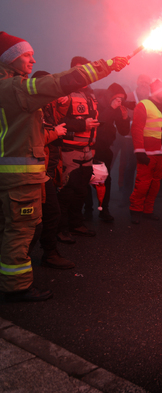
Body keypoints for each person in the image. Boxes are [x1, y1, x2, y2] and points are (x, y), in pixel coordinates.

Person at [0, 31, 128, 302]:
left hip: (25, 174)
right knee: (21, 230)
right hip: (19, 176)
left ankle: (23, 272)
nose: (33, 60)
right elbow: (58, 83)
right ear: (9, 59)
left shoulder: (9, 88)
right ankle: (14, 287)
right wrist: (105, 65)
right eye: (26, 54)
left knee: (25, 225)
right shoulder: (13, 88)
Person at [27, 72, 75, 270]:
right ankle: (21, 259)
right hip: (33, 171)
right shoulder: (30, 106)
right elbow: (32, 140)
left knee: (49, 215)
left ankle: (48, 253)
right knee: (34, 221)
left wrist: (63, 101)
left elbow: (59, 118)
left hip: (48, 167)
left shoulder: (46, 104)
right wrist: (55, 133)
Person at [55, 56, 102, 243]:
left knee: (82, 191)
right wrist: (83, 125)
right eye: (78, 70)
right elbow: (58, 121)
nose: (82, 74)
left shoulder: (91, 95)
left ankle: (76, 224)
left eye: (85, 69)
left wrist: (93, 145)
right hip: (69, 150)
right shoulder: (64, 93)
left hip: (87, 150)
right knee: (66, 192)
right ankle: (61, 228)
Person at [85, 83, 130, 222]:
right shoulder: (97, 102)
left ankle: (104, 209)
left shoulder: (116, 107)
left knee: (105, 179)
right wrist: (112, 107)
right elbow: (100, 121)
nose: (119, 101)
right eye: (117, 98)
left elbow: (123, 131)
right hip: (90, 146)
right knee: (86, 178)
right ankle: (88, 209)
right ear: (111, 97)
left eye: (122, 99)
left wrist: (124, 118)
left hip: (105, 147)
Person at [129, 79, 162, 224]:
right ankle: (135, 210)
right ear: (158, 92)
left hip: (161, 152)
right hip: (147, 152)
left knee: (155, 184)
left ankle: (148, 210)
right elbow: (137, 129)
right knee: (143, 183)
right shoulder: (143, 105)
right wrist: (139, 151)